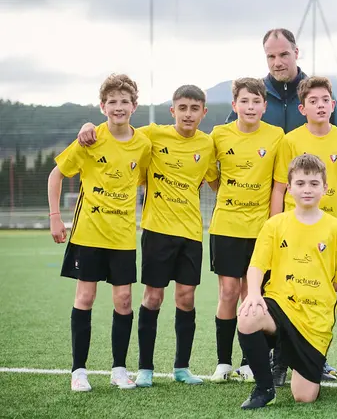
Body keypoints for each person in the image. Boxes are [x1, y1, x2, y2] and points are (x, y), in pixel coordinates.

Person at [77, 85, 220, 387]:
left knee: (186, 297)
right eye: (182, 108)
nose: (188, 114)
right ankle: (145, 368)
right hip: (157, 231)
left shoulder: (208, 144)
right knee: (153, 297)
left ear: (204, 112)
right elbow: (118, 130)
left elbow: (215, 180)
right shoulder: (153, 134)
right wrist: (88, 125)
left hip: (192, 233)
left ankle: (182, 368)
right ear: (172, 111)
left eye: (195, 108)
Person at [48, 74, 151, 392]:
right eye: (112, 102)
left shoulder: (143, 144)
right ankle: (78, 371)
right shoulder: (89, 139)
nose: (118, 107)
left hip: (122, 236)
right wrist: (55, 217)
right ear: (102, 106)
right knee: (85, 297)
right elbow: (56, 175)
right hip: (88, 234)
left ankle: (119, 370)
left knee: (124, 300)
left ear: (134, 106)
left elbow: (145, 179)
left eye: (124, 102)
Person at [236, 154, 337, 409]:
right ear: (289, 188)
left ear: (325, 188)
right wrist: (254, 294)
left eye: (314, 183)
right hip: (280, 304)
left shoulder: (336, 230)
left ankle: (290, 354)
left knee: (304, 396)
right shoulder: (275, 224)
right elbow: (257, 265)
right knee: (248, 315)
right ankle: (264, 388)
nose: (307, 189)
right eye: (300, 183)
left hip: (314, 319)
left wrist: (316, 289)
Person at [270, 76, 337, 381]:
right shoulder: (291, 141)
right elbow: (279, 187)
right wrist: (275, 227)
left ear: (333, 105)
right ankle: (280, 362)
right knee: (289, 293)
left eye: (325, 101)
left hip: (328, 233)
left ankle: (316, 358)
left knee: (322, 295)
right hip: (293, 232)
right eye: (313, 101)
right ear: (302, 108)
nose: (320, 106)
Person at [208, 78, 285, 383]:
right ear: (234, 105)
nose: (250, 107)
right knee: (228, 292)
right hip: (226, 226)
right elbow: (211, 176)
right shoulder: (219, 134)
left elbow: (278, 184)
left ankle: (248, 362)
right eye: (244, 101)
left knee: (251, 295)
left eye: (256, 102)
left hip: (260, 230)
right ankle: (223, 362)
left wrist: (273, 226)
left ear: (264, 106)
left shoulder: (276, 136)